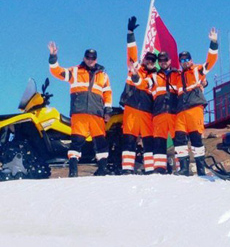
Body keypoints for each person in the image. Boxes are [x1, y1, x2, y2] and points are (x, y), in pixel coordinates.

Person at [48, 42, 112, 177]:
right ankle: (73, 172)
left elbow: (107, 94)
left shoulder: (103, 75)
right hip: (80, 113)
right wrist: (53, 56)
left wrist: (108, 111)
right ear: (84, 58)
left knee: (101, 143)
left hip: (97, 114)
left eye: (92, 58)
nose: (90, 60)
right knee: (76, 142)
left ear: (96, 59)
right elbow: (57, 71)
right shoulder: (75, 71)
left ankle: (102, 170)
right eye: (88, 57)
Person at [174, 28, 218, 176]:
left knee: (195, 138)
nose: (185, 62)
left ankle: (200, 169)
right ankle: (184, 168)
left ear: (191, 60)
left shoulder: (197, 70)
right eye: (182, 60)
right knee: (179, 138)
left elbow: (210, 62)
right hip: (181, 110)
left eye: (187, 59)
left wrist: (213, 43)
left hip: (194, 108)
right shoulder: (177, 76)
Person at [120, 16, 156, 174]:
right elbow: (132, 51)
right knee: (129, 140)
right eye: (148, 58)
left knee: (148, 142)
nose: (150, 61)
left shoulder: (155, 76)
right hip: (131, 109)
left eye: (153, 60)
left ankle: (150, 169)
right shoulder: (134, 66)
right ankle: (127, 169)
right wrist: (130, 33)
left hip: (147, 112)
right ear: (144, 59)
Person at [149, 51, 180, 174]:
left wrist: (204, 83)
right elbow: (142, 84)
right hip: (159, 114)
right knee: (158, 142)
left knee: (178, 141)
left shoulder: (177, 75)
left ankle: (181, 167)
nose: (163, 62)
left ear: (170, 61)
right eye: (160, 61)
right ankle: (159, 168)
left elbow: (188, 84)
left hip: (174, 113)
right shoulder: (154, 76)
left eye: (165, 60)